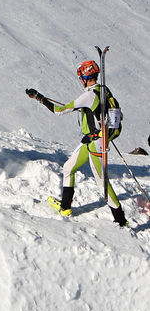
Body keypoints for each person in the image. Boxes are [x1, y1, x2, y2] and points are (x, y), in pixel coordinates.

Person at [26, 60, 128, 227]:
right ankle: (65, 207)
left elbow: (60, 111)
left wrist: (40, 98)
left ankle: (121, 221)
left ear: (85, 78)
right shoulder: (103, 90)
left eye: (81, 77)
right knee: (68, 168)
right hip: (91, 140)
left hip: (96, 143)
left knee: (102, 183)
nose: (80, 80)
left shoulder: (89, 95)